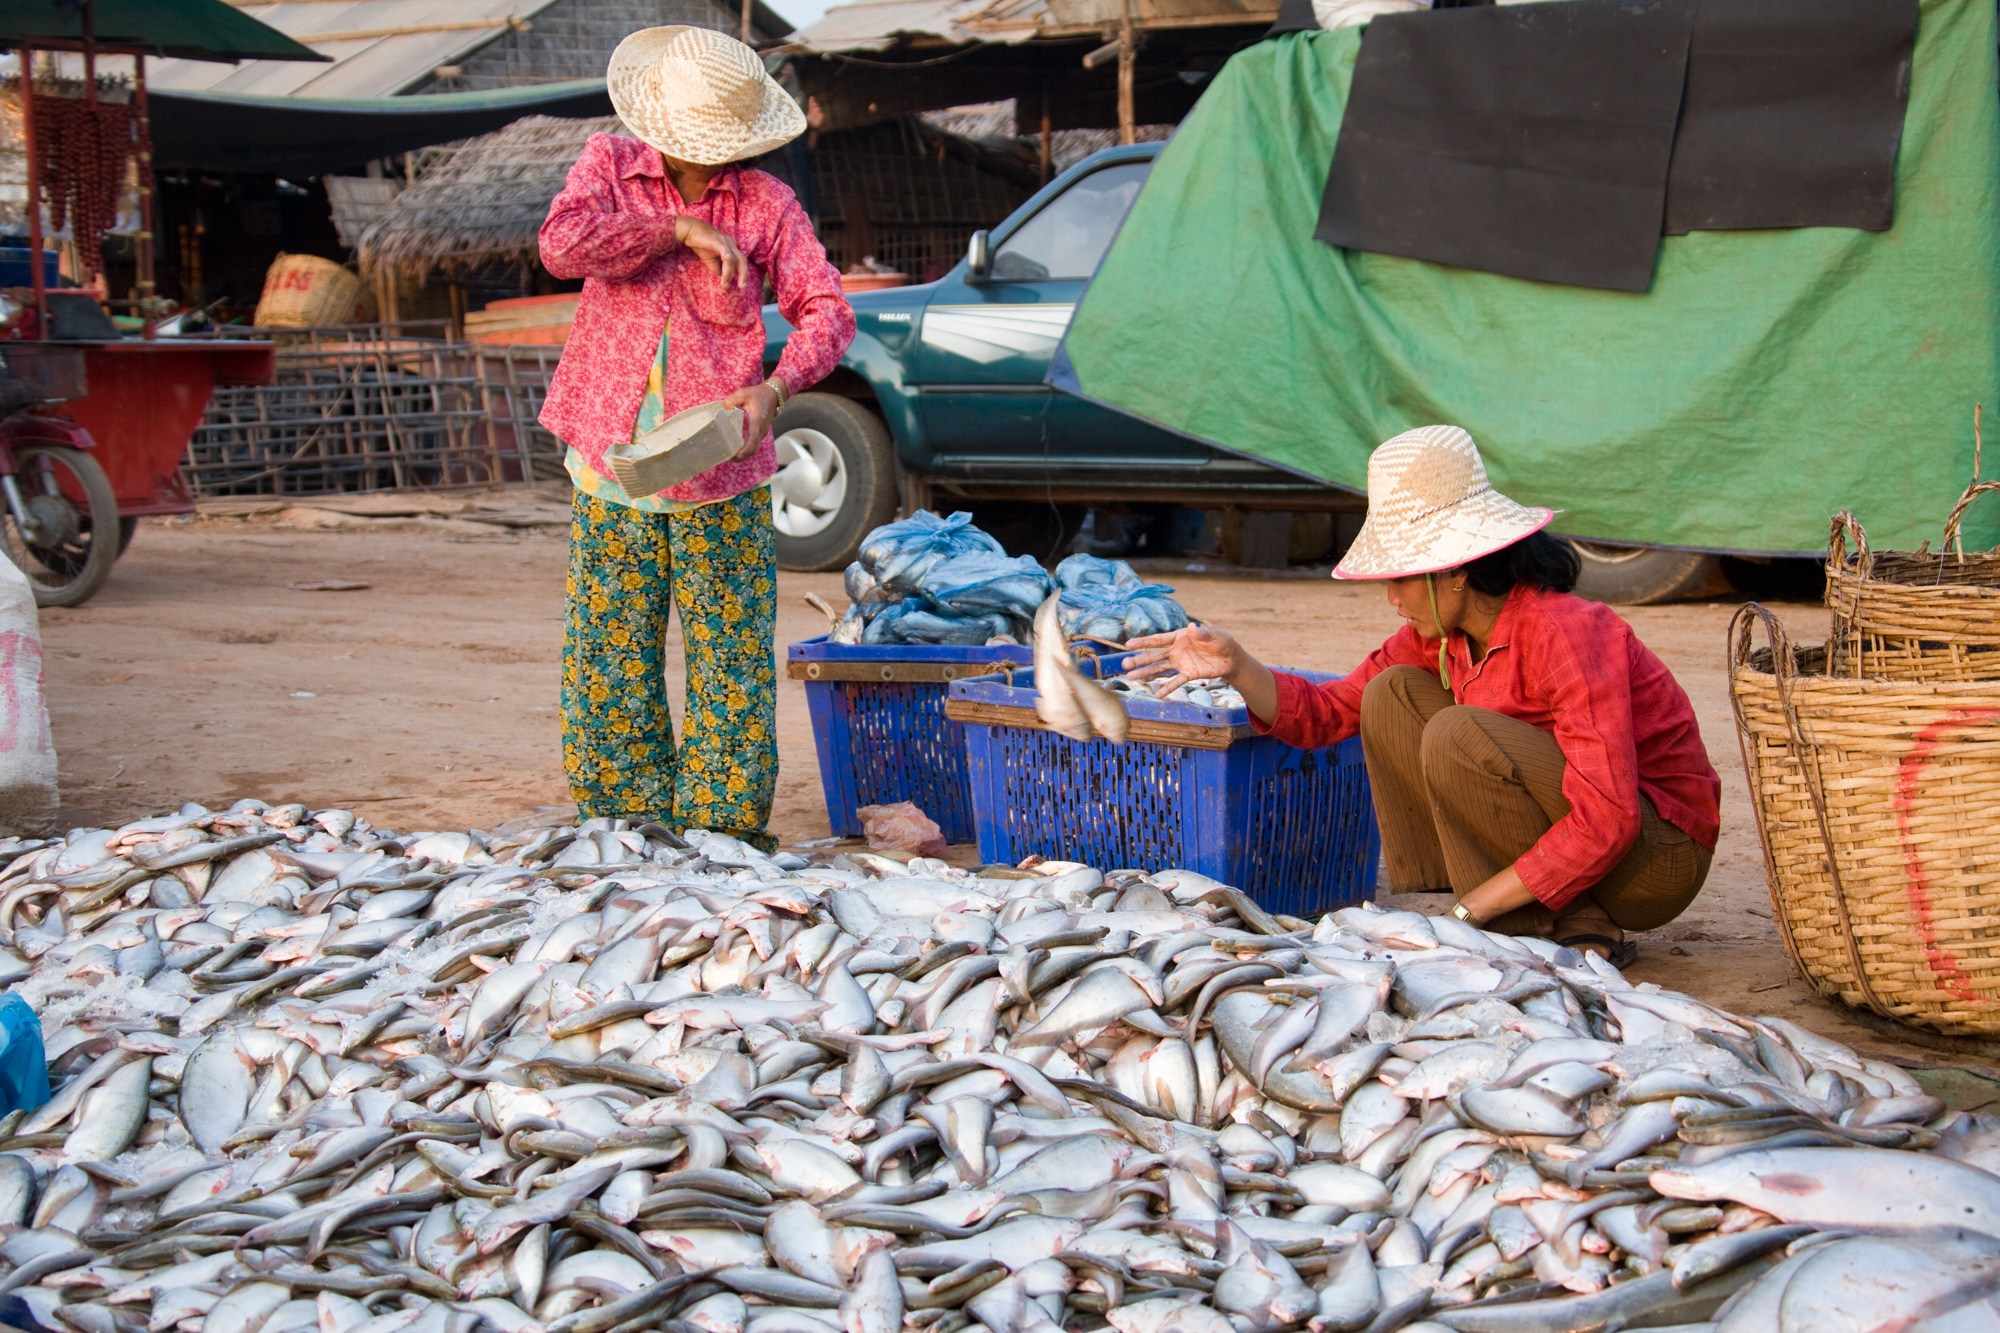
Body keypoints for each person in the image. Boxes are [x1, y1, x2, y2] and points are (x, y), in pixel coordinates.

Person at [1127, 425, 1719, 964]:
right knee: (1393, 693)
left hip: (1653, 864)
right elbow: (1327, 714)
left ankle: (1544, 913)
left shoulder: (1567, 632)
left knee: (1460, 731)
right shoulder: (1441, 637)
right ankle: (1527, 912)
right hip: (1592, 841)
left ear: (1455, 569)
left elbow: (1609, 820)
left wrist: (1468, 914)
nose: (1391, 597)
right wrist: (1236, 664)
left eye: (1401, 577)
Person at [537, 25, 855, 848]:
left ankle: (719, 831)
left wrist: (776, 386)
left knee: (730, 660)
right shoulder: (608, 166)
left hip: (723, 470)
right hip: (611, 460)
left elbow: (829, 310)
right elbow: (561, 246)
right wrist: (674, 231)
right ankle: (625, 823)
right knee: (610, 653)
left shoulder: (766, 204)